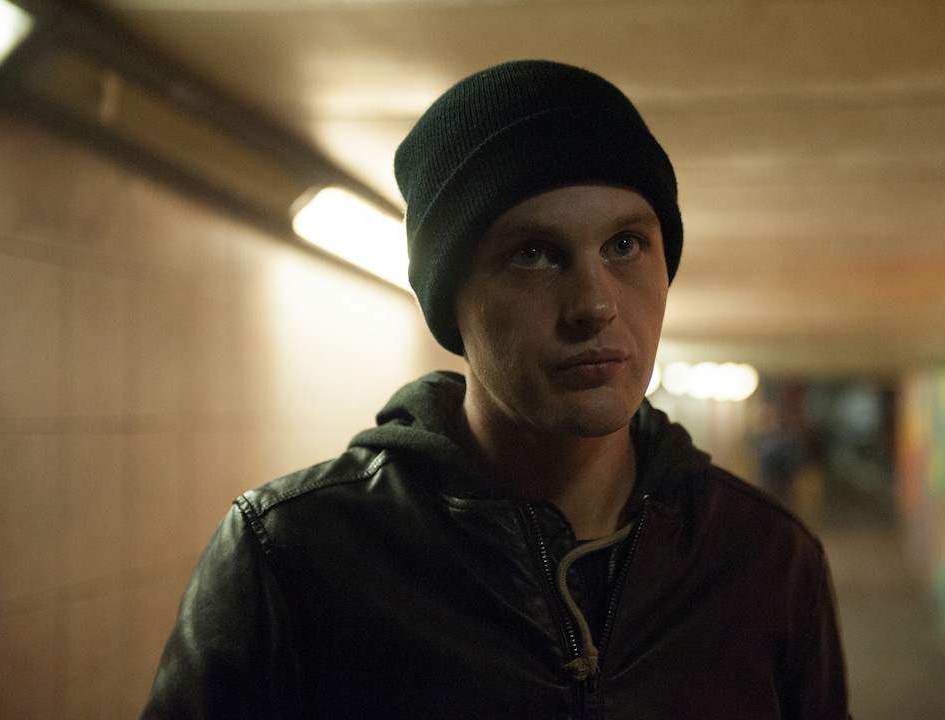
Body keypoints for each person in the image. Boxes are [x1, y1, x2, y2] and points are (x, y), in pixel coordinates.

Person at [142, 59, 852, 719]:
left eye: (625, 245)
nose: (595, 304)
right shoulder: (294, 557)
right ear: (450, 298)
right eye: (534, 254)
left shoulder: (765, 559)